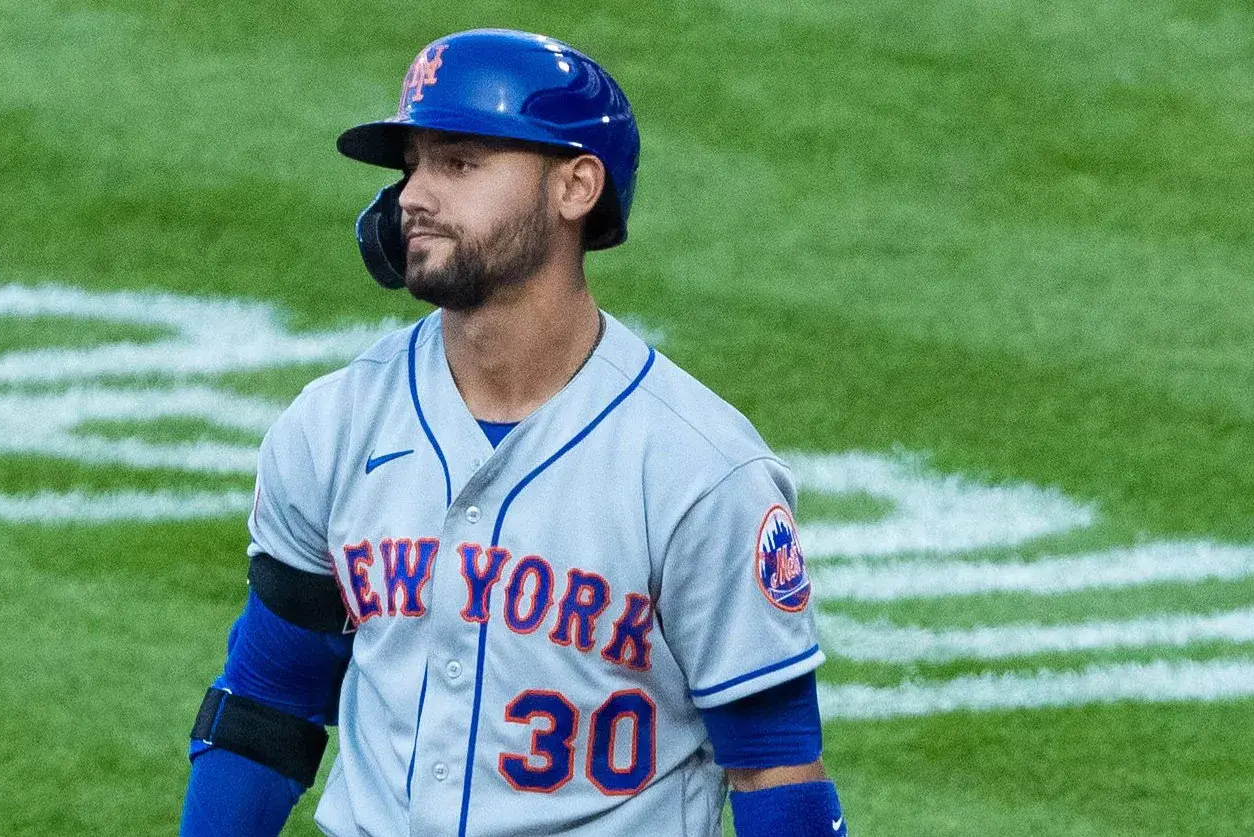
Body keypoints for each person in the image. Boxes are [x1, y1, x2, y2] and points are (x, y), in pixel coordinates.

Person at [180, 28, 847, 837]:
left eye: (459, 163)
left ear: (575, 187)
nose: (415, 196)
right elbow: (265, 706)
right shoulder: (333, 425)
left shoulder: (698, 467)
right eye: (412, 166)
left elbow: (774, 765)